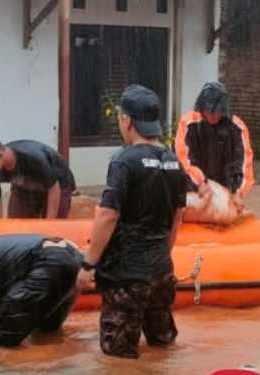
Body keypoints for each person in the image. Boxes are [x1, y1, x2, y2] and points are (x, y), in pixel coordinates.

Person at [77, 84, 187, 359]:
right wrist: (160, 256)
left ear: (127, 121)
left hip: (126, 277)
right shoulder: (175, 163)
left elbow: (107, 214)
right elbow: (177, 218)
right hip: (162, 272)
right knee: (162, 346)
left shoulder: (124, 161)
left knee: (118, 358)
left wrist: (88, 263)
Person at [174, 81, 254, 205]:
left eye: (217, 112)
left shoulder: (237, 128)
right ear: (201, 107)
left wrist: (238, 191)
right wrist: (200, 182)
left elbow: (243, 163)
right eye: (209, 111)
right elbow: (183, 158)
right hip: (194, 187)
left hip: (225, 191)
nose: (213, 116)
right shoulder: (188, 123)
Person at [0, 139, 76, 219]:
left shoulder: (33, 158)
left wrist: (49, 223)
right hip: (24, 185)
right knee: (16, 226)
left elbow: (54, 188)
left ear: (0, 155)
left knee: (53, 229)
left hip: (58, 183)